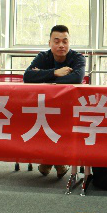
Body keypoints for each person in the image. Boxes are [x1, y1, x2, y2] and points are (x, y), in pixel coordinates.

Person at [23, 24, 86, 178]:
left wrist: (43, 76)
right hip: (46, 106)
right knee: (45, 120)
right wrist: (56, 72)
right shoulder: (43, 57)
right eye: (56, 41)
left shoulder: (77, 58)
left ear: (69, 42)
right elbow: (28, 76)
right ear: (50, 43)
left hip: (69, 107)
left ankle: (48, 160)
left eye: (65, 41)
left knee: (59, 123)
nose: (61, 45)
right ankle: (57, 162)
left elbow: (76, 78)